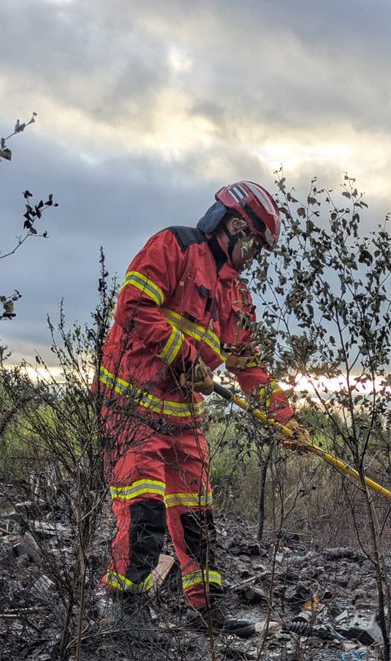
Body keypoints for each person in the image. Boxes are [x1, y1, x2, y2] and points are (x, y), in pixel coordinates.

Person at [97, 180, 310, 637]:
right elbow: (132, 308)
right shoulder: (173, 246)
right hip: (131, 409)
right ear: (235, 226)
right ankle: (122, 614)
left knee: (198, 519)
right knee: (145, 512)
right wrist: (184, 356)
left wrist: (286, 420)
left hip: (181, 416)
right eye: (255, 244)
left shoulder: (237, 297)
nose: (254, 256)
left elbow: (249, 367)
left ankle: (206, 611)